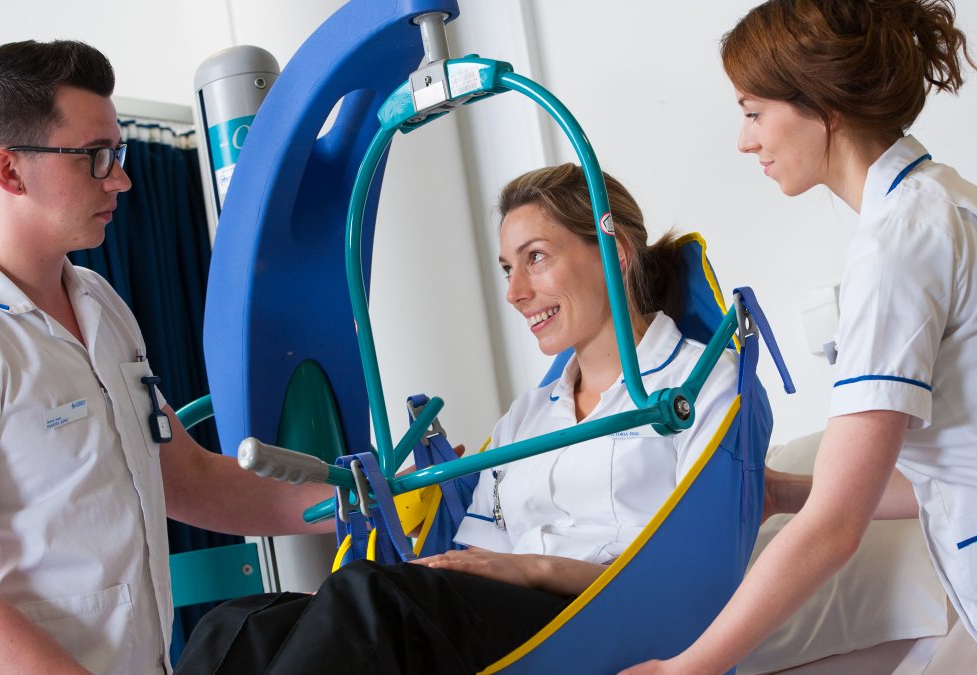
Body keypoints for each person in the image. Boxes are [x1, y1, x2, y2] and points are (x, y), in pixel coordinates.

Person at [0, 40, 330, 675]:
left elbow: (183, 478)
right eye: (95, 158)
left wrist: (363, 502)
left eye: (119, 153)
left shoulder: (100, 303)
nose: (121, 178)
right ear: (9, 172)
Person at [623, 1, 977, 673]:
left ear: (821, 104)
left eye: (752, 112)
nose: (745, 141)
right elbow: (951, 476)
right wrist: (785, 491)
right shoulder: (955, 205)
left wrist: (687, 666)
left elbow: (834, 529)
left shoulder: (899, 246)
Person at [173, 163, 741, 674]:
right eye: (506, 269)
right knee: (243, 623)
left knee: (369, 600)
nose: (516, 292)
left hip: (600, 616)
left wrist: (537, 571)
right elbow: (473, 555)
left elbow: (698, 575)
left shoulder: (700, 383)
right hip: (506, 610)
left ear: (615, 253)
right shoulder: (527, 416)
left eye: (536, 258)